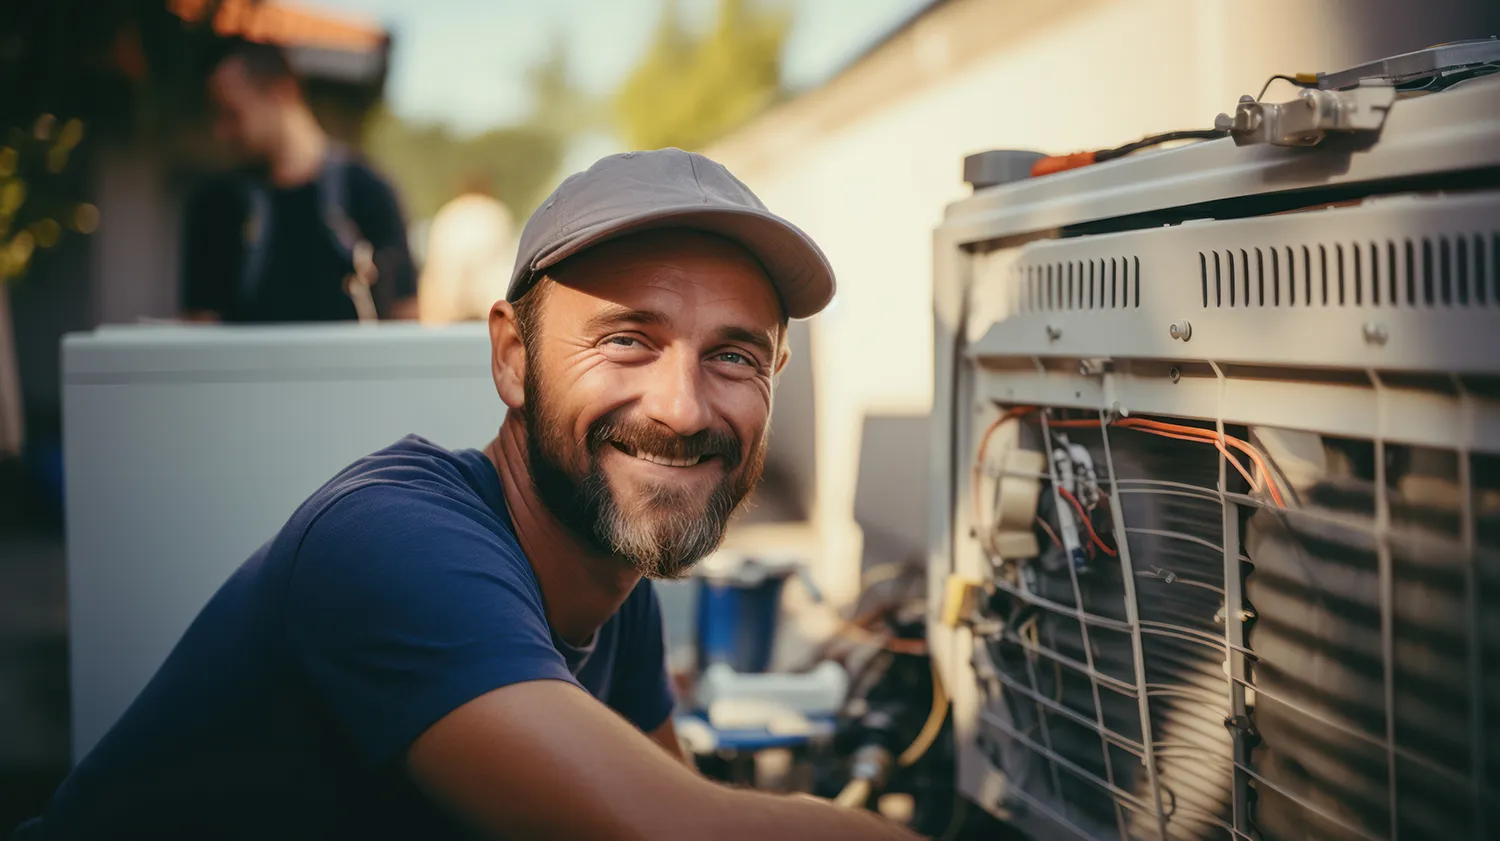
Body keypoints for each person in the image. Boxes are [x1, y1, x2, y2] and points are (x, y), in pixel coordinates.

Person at [15, 149, 917, 840]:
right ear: (513, 359)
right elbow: (670, 830)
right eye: (626, 341)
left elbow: (663, 794)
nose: (682, 409)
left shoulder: (616, 579)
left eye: (733, 355)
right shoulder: (391, 542)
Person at [180, 38, 418, 323]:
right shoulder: (216, 205)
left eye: (232, 114)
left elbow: (405, 317)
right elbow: (200, 329)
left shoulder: (366, 194)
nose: (221, 132)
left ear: (281, 92)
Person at [417, 177, 516, 324]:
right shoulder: (496, 213)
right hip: (489, 310)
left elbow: (435, 273)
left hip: (448, 307)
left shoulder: (448, 214)